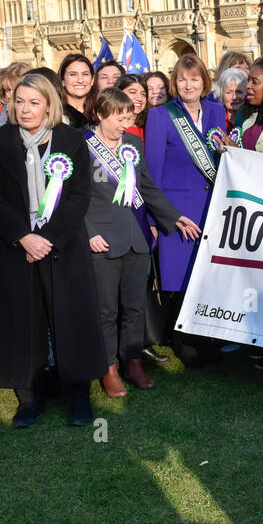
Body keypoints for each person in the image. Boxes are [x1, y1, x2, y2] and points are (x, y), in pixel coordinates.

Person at [0, 72, 105, 428]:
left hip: (61, 247)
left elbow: (79, 196)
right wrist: (24, 237)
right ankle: (29, 400)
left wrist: (47, 239)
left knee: (70, 321)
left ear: (49, 104)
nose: (25, 109)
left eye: (34, 102)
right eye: (19, 101)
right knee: (21, 322)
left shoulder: (72, 139)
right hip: (16, 250)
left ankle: (78, 398)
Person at [84, 88, 198, 396]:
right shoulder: (82, 145)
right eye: (118, 118)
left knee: (134, 307)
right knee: (107, 310)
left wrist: (174, 216)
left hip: (136, 239)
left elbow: (148, 187)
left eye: (128, 117)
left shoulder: (133, 144)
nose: (125, 124)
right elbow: (72, 198)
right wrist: (88, 231)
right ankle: (108, 368)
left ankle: (133, 361)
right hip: (101, 241)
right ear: (100, 114)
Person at [144, 53, 227, 358]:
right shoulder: (161, 115)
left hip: (212, 208)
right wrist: (165, 217)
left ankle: (209, 336)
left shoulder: (217, 112)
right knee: (179, 277)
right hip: (177, 213)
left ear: (204, 81)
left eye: (194, 79)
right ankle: (184, 339)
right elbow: (151, 173)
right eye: (181, 79)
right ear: (174, 83)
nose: (188, 85)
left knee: (207, 275)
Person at [0, 61, 32, 132]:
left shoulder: (38, 110)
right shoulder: (1, 111)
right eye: (7, 90)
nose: (10, 95)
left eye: (15, 89)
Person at [58, 53, 96, 130]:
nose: (80, 80)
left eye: (85, 74)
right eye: (73, 74)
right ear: (63, 81)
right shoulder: (55, 114)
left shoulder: (101, 111)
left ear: (92, 80)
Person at [213, 67, 249, 131]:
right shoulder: (214, 117)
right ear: (221, 95)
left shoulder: (252, 118)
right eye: (229, 92)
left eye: (239, 92)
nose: (234, 97)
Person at [116, 74, 149, 139]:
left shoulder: (148, 128)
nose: (139, 98)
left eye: (143, 94)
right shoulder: (106, 126)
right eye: (132, 92)